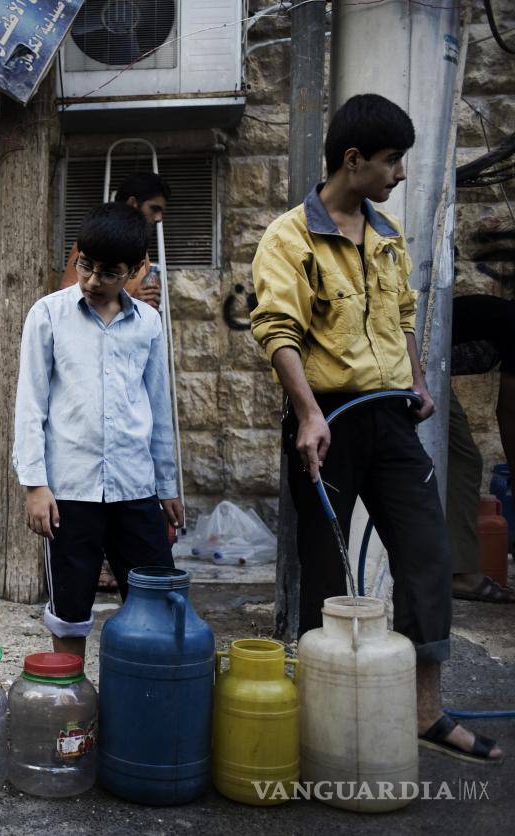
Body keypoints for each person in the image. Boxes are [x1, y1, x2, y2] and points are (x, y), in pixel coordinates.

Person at [249, 93, 502, 762]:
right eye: (393, 161)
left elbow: (405, 318)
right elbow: (277, 329)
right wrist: (305, 412)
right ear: (353, 160)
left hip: (391, 420)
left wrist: (417, 382)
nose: (402, 174)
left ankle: (425, 713)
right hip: (325, 422)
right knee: (328, 576)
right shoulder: (290, 236)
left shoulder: (387, 238)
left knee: (428, 557)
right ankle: (324, 724)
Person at [14, 202, 184, 657]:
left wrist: (167, 485)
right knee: (69, 611)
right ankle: (72, 710)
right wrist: (35, 484)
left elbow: (159, 407)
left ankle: (147, 704)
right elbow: (30, 404)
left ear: (136, 269)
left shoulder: (147, 323)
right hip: (70, 490)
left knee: (158, 602)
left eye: (109, 273)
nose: (91, 281)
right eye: (86, 266)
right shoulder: (47, 315)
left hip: (135, 486)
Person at [447, 294, 515, 602]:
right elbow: (508, 411)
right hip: (408, 361)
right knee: (463, 460)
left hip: (416, 361)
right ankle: (460, 574)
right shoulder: (510, 322)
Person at [60, 170, 171, 310]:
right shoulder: (95, 241)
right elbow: (67, 302)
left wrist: (144, 305)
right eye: (154, 209)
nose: (159, 218)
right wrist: (131, 301)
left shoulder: (141, 252)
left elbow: (139, 306)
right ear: (133, 203)